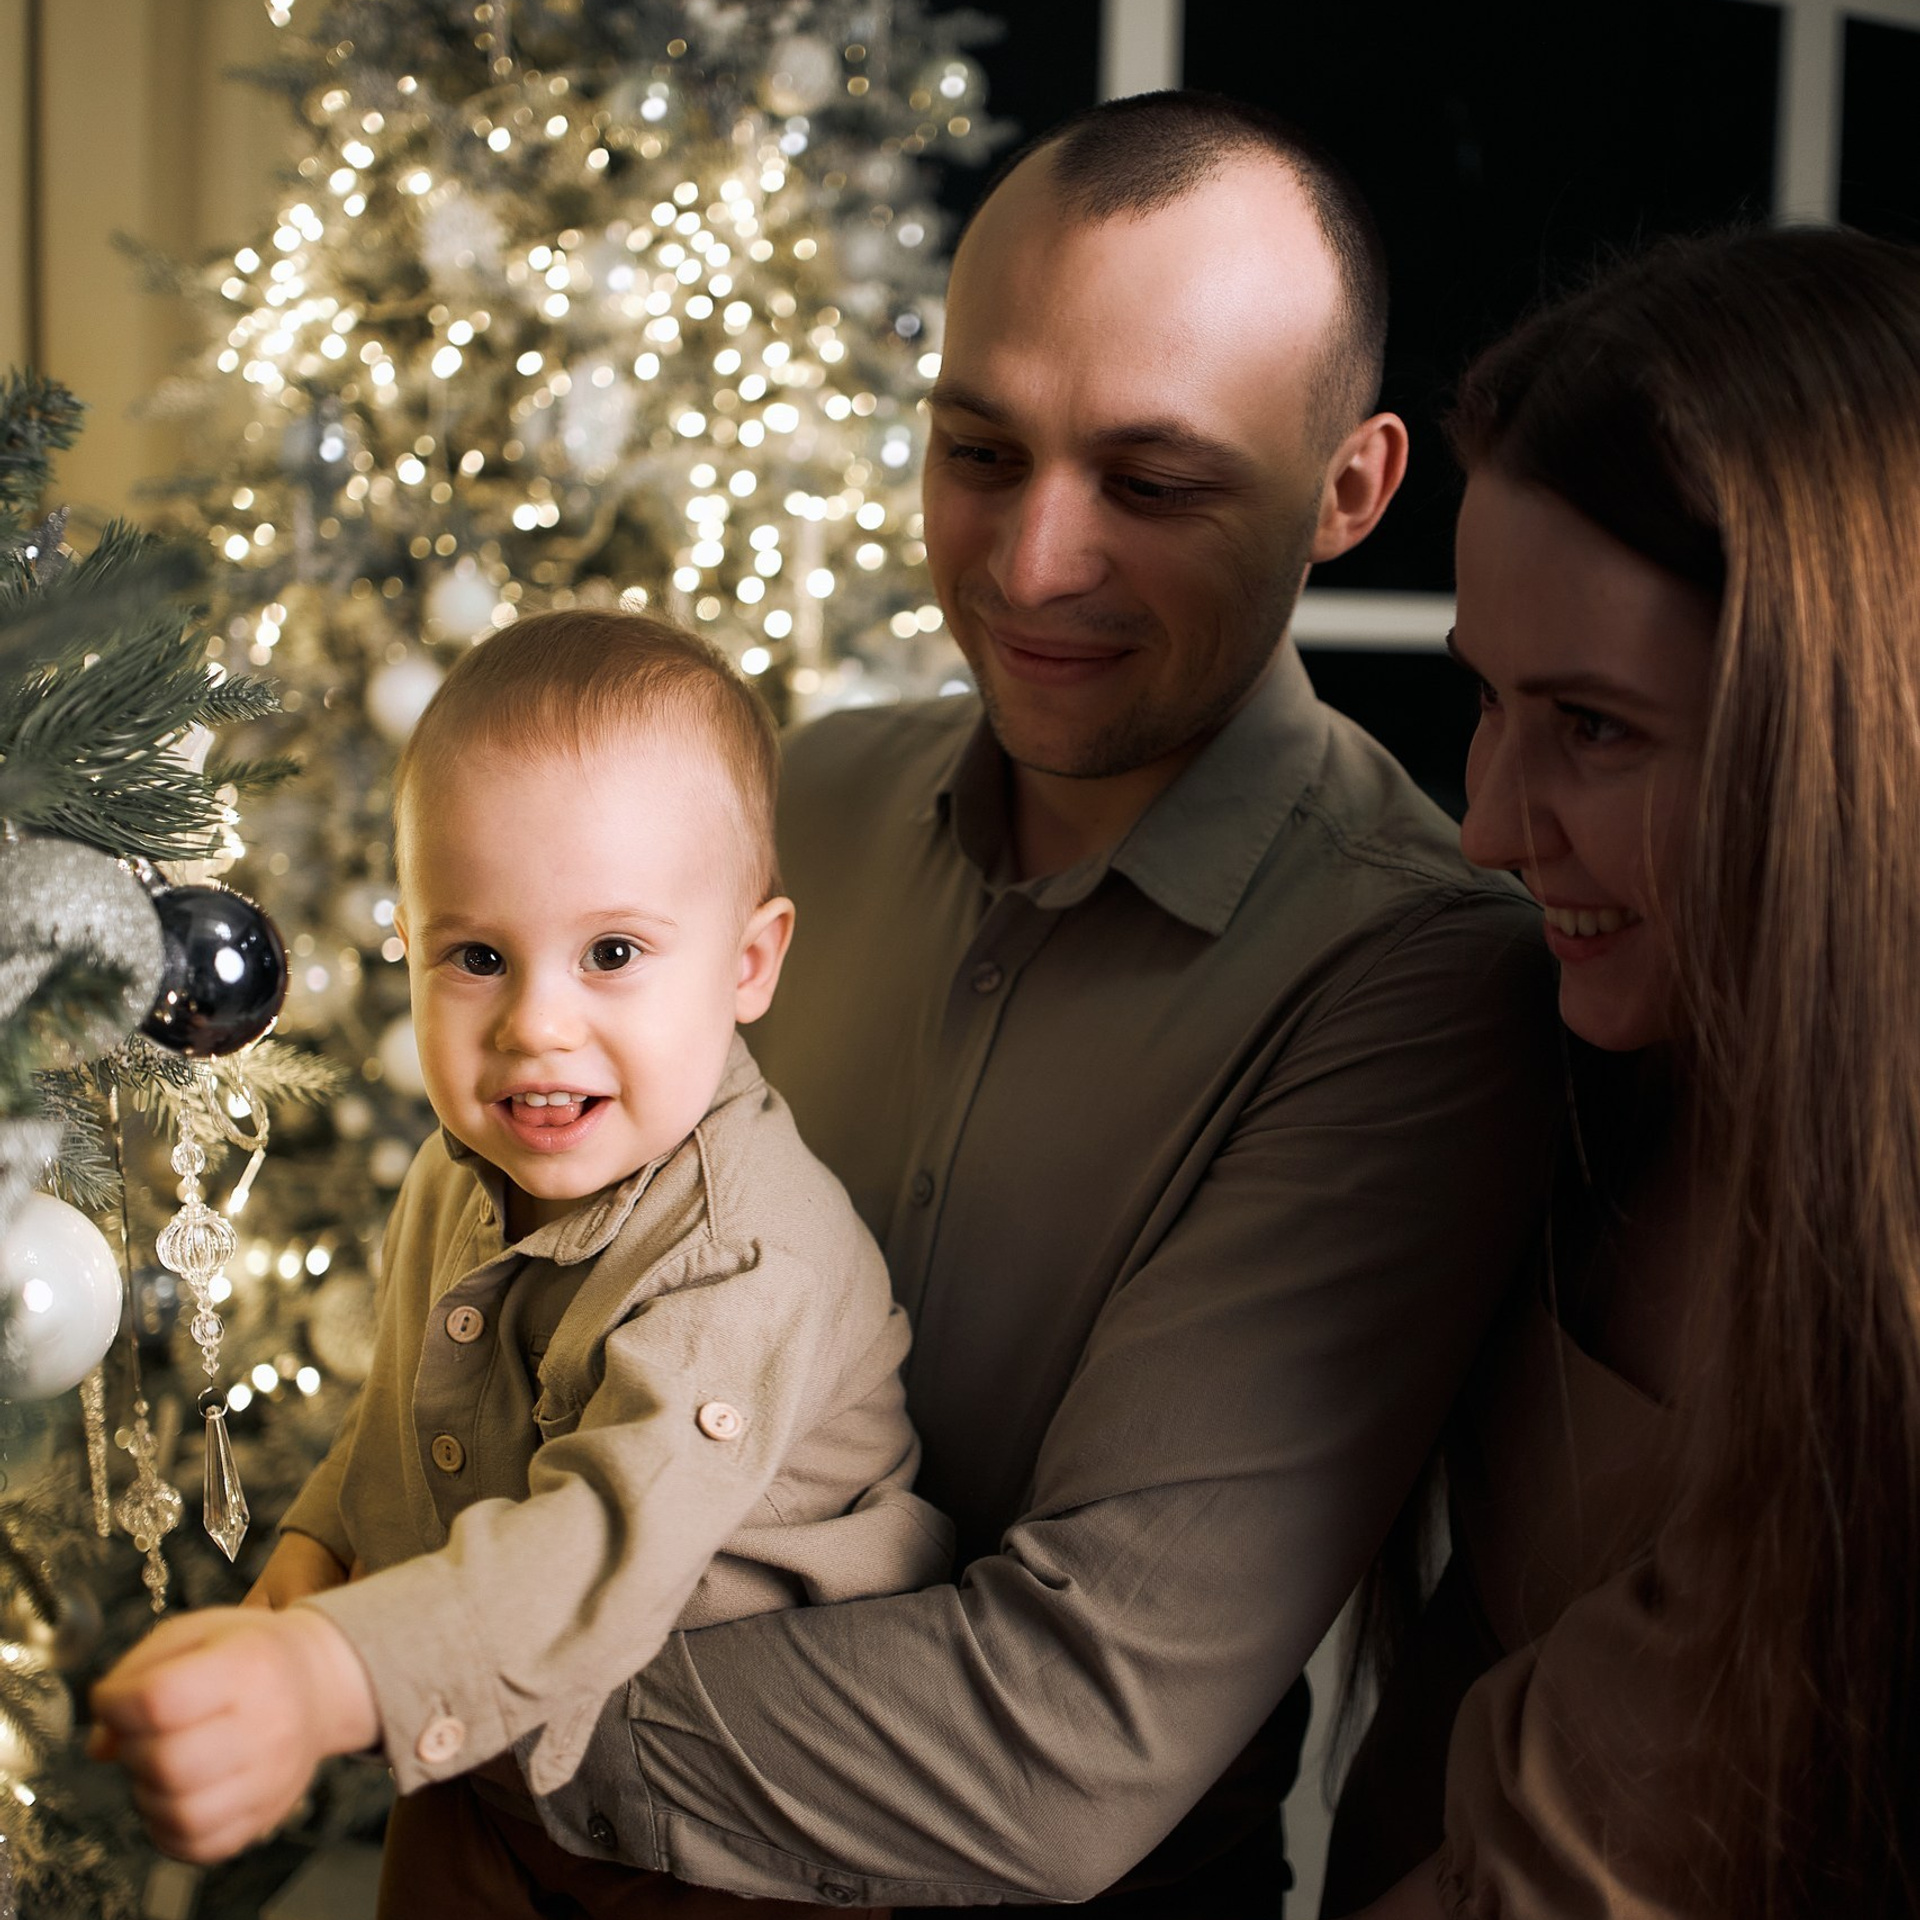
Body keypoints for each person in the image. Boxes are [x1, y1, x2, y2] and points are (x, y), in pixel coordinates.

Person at [517, 94, 1560, 1914]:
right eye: (979, 452)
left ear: (1353, 492)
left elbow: (1064, 1738)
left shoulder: (1418, 975)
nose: (1027, 562)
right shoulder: (797, 805)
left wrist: (429, 1700)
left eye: (1152, 485)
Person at [88, 610, 951, 1919]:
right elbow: (404, 1419)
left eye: (613, 954)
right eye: (478, 957)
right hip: (501, 1754)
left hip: (728, 1822)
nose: (538, 1027)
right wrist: (319, 1550)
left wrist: (327, 1678)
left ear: (747, 963)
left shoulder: (747, 1255)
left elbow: (601, 1543)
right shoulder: (461, 1171)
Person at [1323, 227, 1920, 1919]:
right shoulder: (1604, 1073)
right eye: (1491, 706)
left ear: (1857, 726)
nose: (1495, 826)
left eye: (1595, 726)